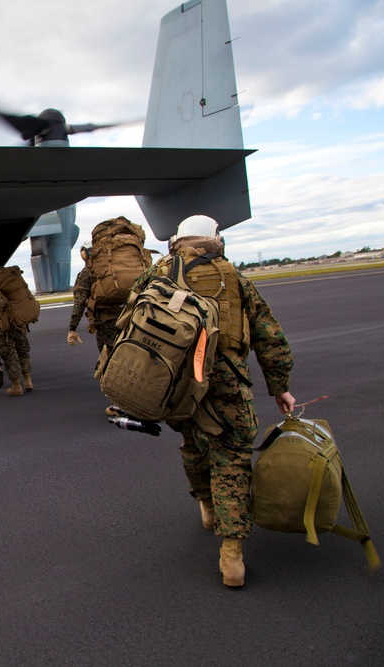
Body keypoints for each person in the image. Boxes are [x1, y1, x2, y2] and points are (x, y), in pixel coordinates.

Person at [134, 215, 296, 587]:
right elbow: (269, 336)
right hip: (226, 382)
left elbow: (131, 322)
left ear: (178, 241)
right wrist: (279, 386)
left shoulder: (156, 274)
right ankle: (232, 556)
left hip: (174, 383)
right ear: (215, 241)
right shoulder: (232, 276)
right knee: (233, 457)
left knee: (192, 445)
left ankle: (206, 505)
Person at [0, 268, 34, 397]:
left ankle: (16, 386)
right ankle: (28, 381)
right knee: (23, 353)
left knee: (10, 357)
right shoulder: (15, 293)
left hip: (4, 331)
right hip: (20, 326)